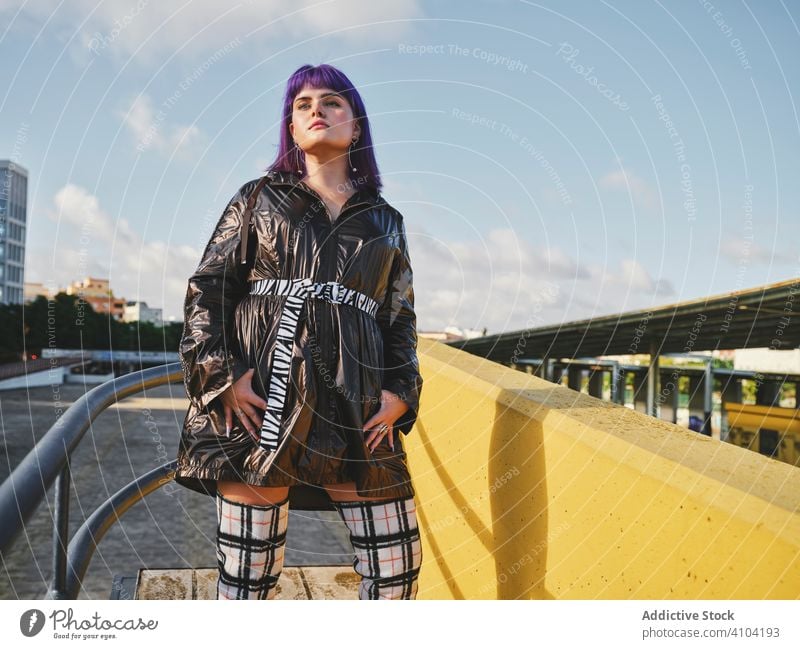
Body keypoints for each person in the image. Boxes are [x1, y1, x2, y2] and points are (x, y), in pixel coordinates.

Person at [174, 63, 424, 600]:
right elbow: (208, 290)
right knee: (249, 577)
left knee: (396, 567)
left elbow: (398, 318)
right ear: (291, 129)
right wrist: (223, 377)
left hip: (357, 401)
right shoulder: (257, 197)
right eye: (303, 104)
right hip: (261, 392)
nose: (317, 110)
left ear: (356, 126)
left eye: (332, 102)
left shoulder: (386, 220)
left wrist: (402, 392)